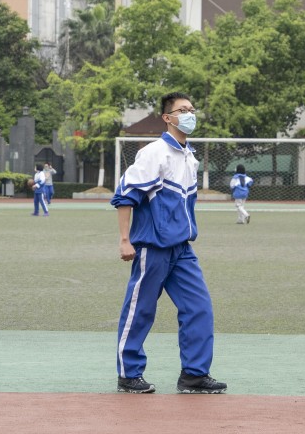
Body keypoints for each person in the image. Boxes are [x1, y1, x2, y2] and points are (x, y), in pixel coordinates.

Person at [111, 92, 226, 395]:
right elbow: (126, 195)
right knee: (141, 309)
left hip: (182, 249)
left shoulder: (189, 156)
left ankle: (194, 375)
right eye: (182, 110)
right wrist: (125, 240)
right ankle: (129, 374)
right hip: (152, 247)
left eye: (192, 108)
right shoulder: (154, 153)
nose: (190, 114)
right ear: (167, 117)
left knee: (199, 307)